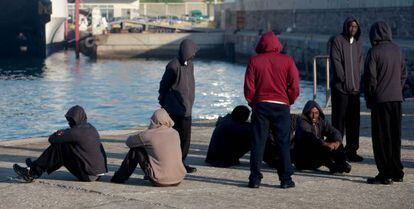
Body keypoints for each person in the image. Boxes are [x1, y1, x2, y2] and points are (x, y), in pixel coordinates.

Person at [244, 31, 300, 189]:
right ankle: (285, 179)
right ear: (277, 44)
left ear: (261, 44)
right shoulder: (287, 60)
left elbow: (249, 87)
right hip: (281, 106)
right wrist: (289, 100)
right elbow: (294, 85)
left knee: (258, 143)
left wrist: (252, 102)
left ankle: (255, 178)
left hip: (261, 105)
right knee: (283, 143)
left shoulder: (254, 61)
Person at [13, 105, 108, 182]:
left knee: (60, 146)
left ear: (77, 119)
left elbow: (52, 139)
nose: (69, 122)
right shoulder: (90, 128)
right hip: (97, 174)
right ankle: (36, 166)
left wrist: (60, 133)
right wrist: (64, 133)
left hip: (87, 175)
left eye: (71, 120)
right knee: (64, 145)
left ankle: (32, 172)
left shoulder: (75, 132)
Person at [364, 21, 407, 185]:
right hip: (396, 99)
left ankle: (384, 173)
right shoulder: (398, 50)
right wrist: (397, 88)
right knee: (395, 136)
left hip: (380, 101)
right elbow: (404, 74)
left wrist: (370, 98)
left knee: (382, 137)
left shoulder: (374, 52)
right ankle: (397, 171)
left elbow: (370, 79)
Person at [111, 109, 186, 186]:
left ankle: (119, 178)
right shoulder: (175, 133)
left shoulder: (148, 135)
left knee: (136, 149)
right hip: (178, 179)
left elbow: (129, 142)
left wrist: (144, 134)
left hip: (161, 181)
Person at [158, 39, 198, 173]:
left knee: (185, 139)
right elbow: (164, 85)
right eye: (192, 51)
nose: (194, 54)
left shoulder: (190, 65)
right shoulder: (172, 66)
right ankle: (168, 164)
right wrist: (163, 101)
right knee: (171, 138)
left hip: (187, 109)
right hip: (173, 109)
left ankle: (181, 163)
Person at [330, 17, 364, 162]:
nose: (353, 29)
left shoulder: (358, 43)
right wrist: (343, 81)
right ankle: (338, 151)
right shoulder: (338, 41)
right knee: (339, 121)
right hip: (341, 90)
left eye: (355, 27)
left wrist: (357, 81)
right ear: (346, 27)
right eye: (350, 26)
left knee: (354, 121)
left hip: (355, 90)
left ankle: (352, 150)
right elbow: (336, 62)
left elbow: (361, 64)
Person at [293, 100, 351, 173]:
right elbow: (310, 138)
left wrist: (337, 142)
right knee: (318, 145)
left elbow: (334, 131)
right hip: (303, 160)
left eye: (316, 113)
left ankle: (342, 163)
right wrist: (325, 144)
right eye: (312, 113)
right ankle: (332, 166)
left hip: (317, 156)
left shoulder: (321, 121)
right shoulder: (302, 122)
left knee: (334, 140)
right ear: (307, 113)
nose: (314, 116)